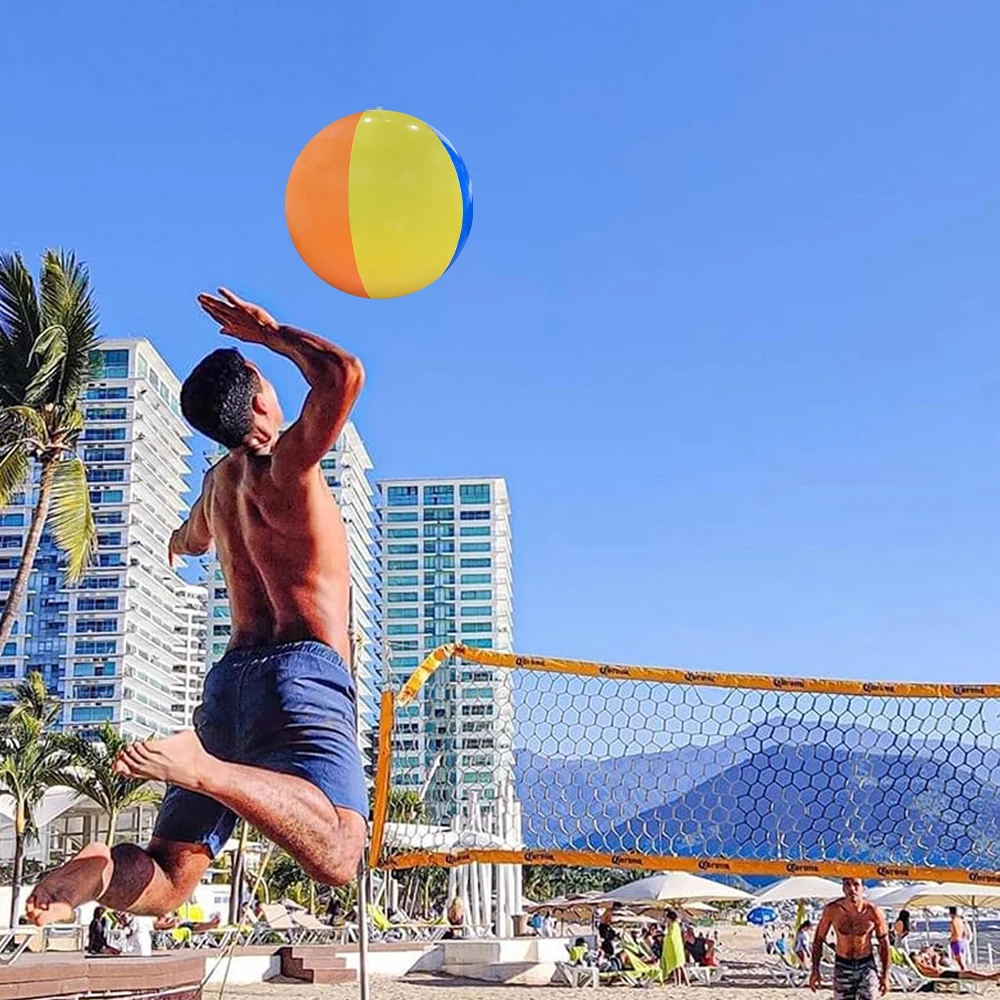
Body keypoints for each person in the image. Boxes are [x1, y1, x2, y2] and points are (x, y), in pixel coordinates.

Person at [24, 290, 368, 926]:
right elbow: (343, 375)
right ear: (260, 401)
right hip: (302, 673)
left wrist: (179, 542)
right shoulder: (288, 465)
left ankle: (101, 873)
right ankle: (207, 770)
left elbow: (190, 538)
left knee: (171, 878)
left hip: (229, 684)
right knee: (341, 853)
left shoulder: (216, 486)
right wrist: (268, 333)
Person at [810, 877, 890, 998]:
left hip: (866, 964)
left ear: (863, 888)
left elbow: (884, 944)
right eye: (847, 884)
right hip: (843, 964)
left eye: (856, 884)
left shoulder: (873, 912)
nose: (852, 889)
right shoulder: (833, 910)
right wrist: (815, 970)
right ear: (843, 888)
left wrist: (885, 975)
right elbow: (818, 939)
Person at [911, 943, 1000, 983]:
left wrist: (931, 959)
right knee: (969, 973)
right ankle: (990, 977)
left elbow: (934, 969)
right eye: (921, 959)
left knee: (969, 974)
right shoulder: (922, 966)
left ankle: (989, 977)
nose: (924, 959)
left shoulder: (921, 964)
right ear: (916, 961)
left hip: (943, 973)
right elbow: (936, 970)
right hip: (942, 975)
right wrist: (936, 960)